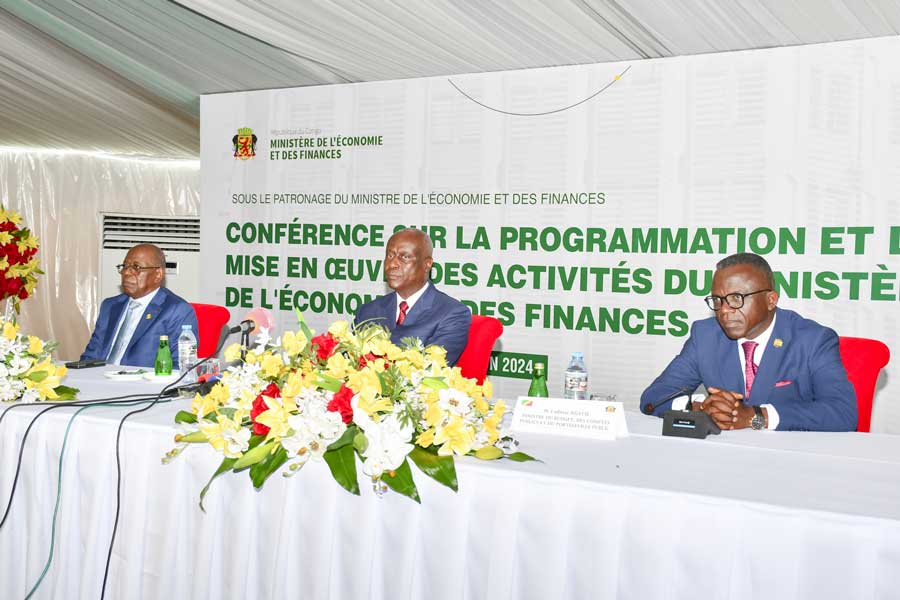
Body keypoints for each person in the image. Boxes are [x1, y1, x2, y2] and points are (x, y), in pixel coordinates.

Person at [640, 253, 857, 431]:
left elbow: (842, 413)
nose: (724, 310)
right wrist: (699, 408)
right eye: (718, 300)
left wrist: (756, 416)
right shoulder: (705, 336)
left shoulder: (813, 340)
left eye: (736, 298)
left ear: (771, 300)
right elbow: (653, 398)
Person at [355, 228, 471, 365]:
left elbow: (429, 370)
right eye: (390, 255)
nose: (392, 264)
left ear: (427, 264)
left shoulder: (452, 313)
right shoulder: (368, 311)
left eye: (405, 257)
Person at [81, 243, 197, 369]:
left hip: (143, 380)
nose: (126, 272)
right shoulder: (110, 306)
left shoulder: (177, 310)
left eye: (136, 267)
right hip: (100, 377)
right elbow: (90, 357)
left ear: (158, 274)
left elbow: (180, 367)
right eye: (125, 266)